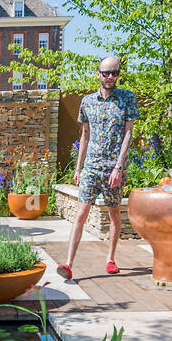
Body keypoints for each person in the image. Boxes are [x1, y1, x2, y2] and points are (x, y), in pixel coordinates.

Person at [59, 57, 139, 280]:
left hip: (114, 168)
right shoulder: (87, 102)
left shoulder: (127, 99)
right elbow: (84, 135)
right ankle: (68, 264)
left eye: (115, 73)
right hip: (92, 168)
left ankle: (111, 259)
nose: (111, 77)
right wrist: (78, 167)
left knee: (114, 213)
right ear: (98, 74)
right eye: (106, 73)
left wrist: (119, 167)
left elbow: (128, 134)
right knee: (81, 213)